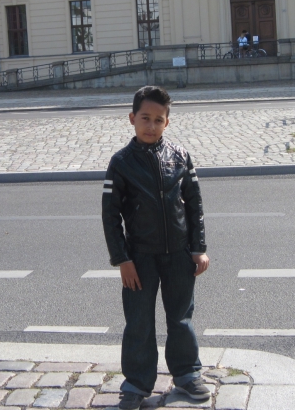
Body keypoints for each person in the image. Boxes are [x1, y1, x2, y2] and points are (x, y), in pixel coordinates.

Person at [102, 86, 210, 410]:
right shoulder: (120, 163)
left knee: (181, 318)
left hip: (178, 254)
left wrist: (198, 248)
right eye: (145, 119)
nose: (151, 126)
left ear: (167, 122)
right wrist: (122, 259)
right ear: (132, 119)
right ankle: (136, 383)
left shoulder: (180, 156)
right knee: (139, 322)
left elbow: (194, 204)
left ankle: (188, 374)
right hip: (140, 258)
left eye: (158, 120)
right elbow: (110, 215)